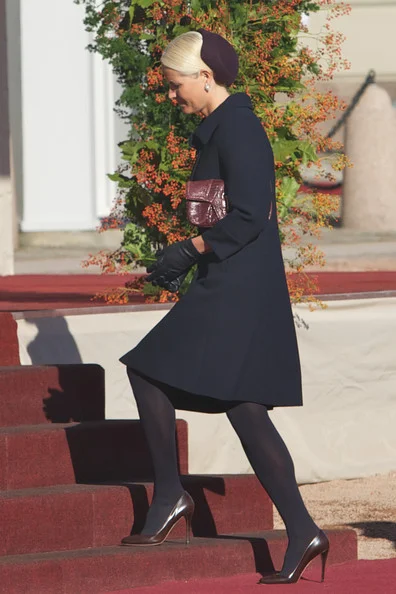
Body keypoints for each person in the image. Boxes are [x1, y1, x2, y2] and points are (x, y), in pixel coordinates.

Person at [119, 28, 329, 585]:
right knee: (242, 406)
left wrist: (188, 250)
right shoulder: (221, 126)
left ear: (206, 77)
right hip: (230, 280)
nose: (171, 95)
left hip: (237, 287)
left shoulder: (239, 126)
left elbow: (249, 213)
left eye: (175, 84)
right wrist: (189, 254)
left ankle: (170, 496)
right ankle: (303, 530)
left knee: (146, 368)